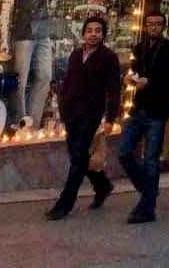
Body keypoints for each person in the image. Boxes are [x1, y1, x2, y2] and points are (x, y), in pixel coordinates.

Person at [45, 17, 120, 220]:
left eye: (98, 30)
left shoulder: (108, 57)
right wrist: (62, 105)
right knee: (77, 155)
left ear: (103, 34)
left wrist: (111, 117)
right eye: (89, 30)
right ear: (83, 33)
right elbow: (68, 81)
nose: (93, 34)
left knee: (78, 156)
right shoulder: (76, 55)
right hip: (71, 111)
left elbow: (114, 89)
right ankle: (102, 185)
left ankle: (64, 204)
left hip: (91, 112)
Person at [118, 11, 169, 224]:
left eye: (157, 24)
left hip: (157, 111)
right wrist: (131, 78)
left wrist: (151, 83)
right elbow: (136, 71)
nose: (153, 27)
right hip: (139, 108)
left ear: (163, 26)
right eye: (150, 24)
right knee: (125, 153)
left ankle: (147, 207)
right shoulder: (140, 48)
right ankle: (148, 190)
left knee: (151, 159)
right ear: (145, 26)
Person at [10, 0, 53, 131]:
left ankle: (32, 123)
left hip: (41, 33)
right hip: (25, 33)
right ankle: (21, 121)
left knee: (45, 75)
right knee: (20, 78)